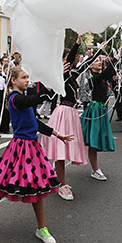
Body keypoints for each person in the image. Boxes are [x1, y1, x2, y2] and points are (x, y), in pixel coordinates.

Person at [0, 66, 74, 243]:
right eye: (23, 77)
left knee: (38, 187)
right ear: (13, 80)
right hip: (20, 148)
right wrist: (51, 83)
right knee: (4, 186)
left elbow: (35, 122)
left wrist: (58, 134)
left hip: (33, 147)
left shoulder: (24, 100)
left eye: (28, 77)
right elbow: (34, 99)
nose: (27, 80)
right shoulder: (15, 99)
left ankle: (41, 227)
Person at [39, 36, 95, 200]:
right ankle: (62, 185)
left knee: (64, 149)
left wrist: (98, 53)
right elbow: (71, 59)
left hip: (71, 113)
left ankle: (58, 180)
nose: (73, 60)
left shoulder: (71, 73)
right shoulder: (59, 74)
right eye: (68, 58)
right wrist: (77, 43)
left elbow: (85, 65)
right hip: (63, 112)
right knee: (60, 151)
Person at [82, 54, 117, 180]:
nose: (98, 62)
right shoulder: (92, 78)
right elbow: (106, 72)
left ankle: (95, 169)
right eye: (95, 61)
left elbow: (110, 71)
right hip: (94, 110)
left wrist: (120, 56)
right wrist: (116, 58)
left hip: (101, 109)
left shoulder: (102, 78)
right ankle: (95, 169)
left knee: (94, 141)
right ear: (90, 65)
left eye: (99, 61)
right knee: (92, 141)